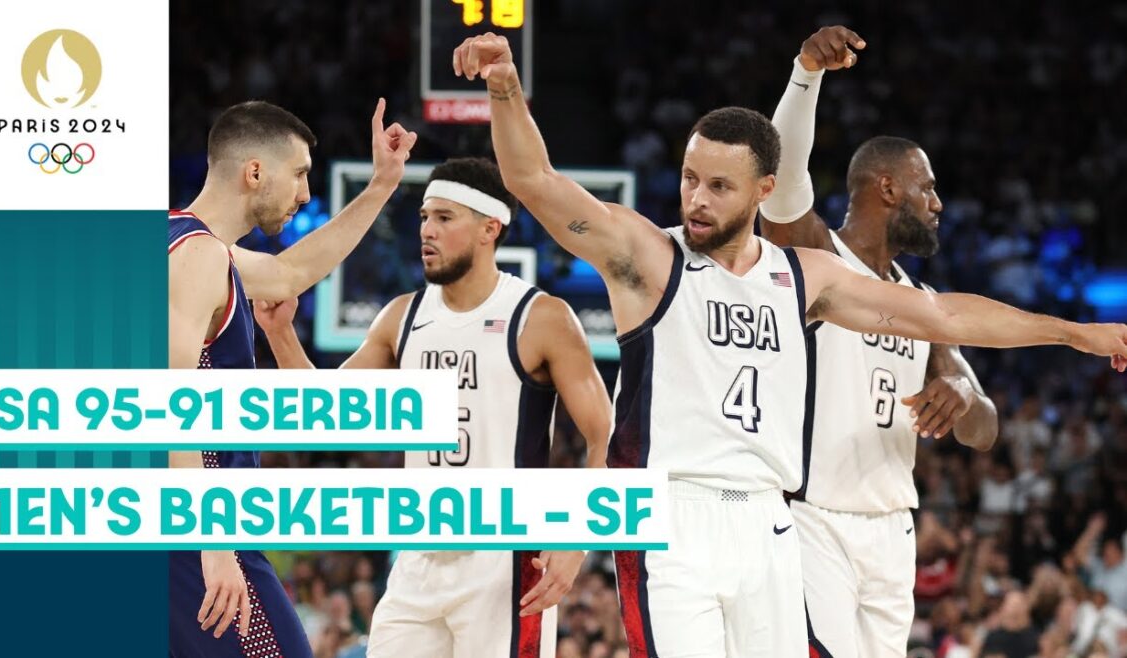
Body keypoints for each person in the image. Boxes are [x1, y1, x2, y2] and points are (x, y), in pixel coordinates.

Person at [452, 32, 1127, 657]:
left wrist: (1075, 334)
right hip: (670, 513)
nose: (698, 199)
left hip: (769, 523)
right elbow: (533, 181)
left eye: (719, 186)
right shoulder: (649, 257)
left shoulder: (803, 277)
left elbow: (945, 317)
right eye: (691, 179)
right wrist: (506, 85)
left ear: (762, 191)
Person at [254, 157, 614, 658]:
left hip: (504, 561)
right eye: (425, 217)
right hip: (419, 557)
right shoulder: (402, 316)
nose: (427, 230)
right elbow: (324, 410)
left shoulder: (541, 317)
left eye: (445, 218)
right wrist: (280, 333)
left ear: (490, 227)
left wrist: (578, 541)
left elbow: (605, 436)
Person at [757, 25, 999, 657]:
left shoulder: (918, 302)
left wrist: (961, 397)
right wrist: (806, 75)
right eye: (928, 188)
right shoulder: (815, 256)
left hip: (893, 527)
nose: (938, 203)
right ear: (887, 187)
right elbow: (781, 183)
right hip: (813, 516)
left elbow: (986, 430)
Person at [168, 98, 416, 658]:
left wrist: (381, 186)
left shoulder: (189, 246)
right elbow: (168, 402)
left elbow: (288, 272)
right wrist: (213, 545)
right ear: (255, 171)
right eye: (300, 173)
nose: (305, 193)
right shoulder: (197, 257)